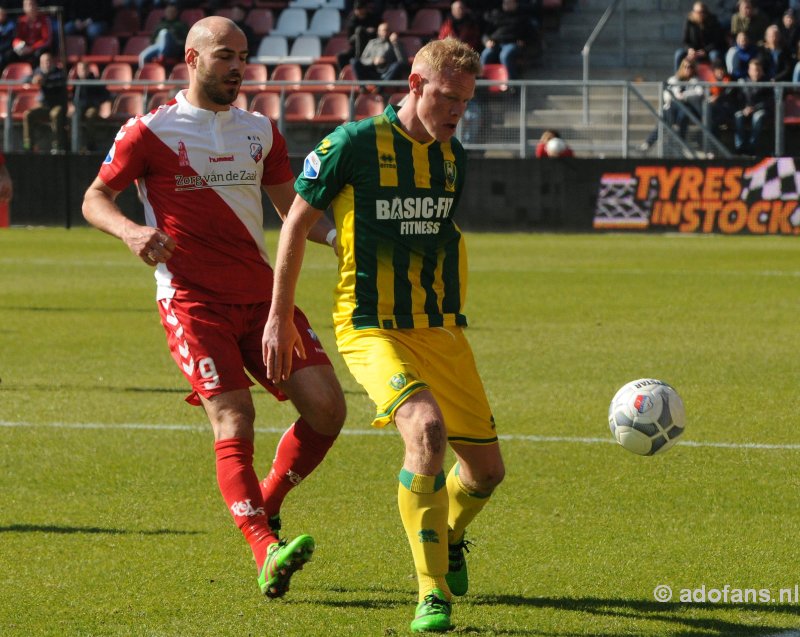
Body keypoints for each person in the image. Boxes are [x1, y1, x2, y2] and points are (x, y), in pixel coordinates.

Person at [81, 16, 346, 600]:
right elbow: (95, 197)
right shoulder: (148, 131)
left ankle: (267, 505)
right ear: (192, 59)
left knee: (327, 409)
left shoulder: (261, 131)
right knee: (235, 419)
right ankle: (264, 550)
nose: (237, 66)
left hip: (262, 298)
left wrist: (339, 240)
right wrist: (130, 232)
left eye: (243, 56)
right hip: (192, 301)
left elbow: (291, 208)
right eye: (225, 55)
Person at [263, 37, 505, 633]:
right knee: (424, 430)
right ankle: (432, 592)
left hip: (441, 329)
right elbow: (295, 221)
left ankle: (446, 536)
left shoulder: (453, 157)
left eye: (466, 102)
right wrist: (279, 315)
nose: (456, 112)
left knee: (486, 473)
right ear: (416, 85)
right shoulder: (353, 144)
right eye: (447, 98)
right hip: (370, 325)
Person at [639, 58, 704, 151]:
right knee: (668, 114)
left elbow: (699, 92)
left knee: (683, 113)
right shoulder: (673, 79)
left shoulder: (695, 80)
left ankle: (651, 142)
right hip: (673, 107)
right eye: (685, 67)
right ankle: (649, 142)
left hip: (688, 108)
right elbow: (670, 96)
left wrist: (685, 95)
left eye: (690, 67)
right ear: (681, 68)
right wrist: (679, 96)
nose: (687, 69)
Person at [479, 0, 539, 80]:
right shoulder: (496, 15)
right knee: (486, 54)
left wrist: (524, 41)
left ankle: (512, 83)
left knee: (505, 55)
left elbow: (532, 35)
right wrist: (486, 41)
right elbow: (485, 34)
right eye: (505, 2)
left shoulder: (522, 18)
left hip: (512, 43)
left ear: (515, 4)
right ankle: (482, 81)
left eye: (509, 2)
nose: (506, 4)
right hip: (495, 43)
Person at [22, 52, 68, 153]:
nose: (46, 64)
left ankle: (57, 146)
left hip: (57, 105)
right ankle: (28, 145)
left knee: (55, 114)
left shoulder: (59, 72)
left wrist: (44, 81)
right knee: (28, 114)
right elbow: (24, 79)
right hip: (44, 106)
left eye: (48, 61)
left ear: (52, 62)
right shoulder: (38, 72)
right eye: (44, 62)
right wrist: (33, 80)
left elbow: (58, 81)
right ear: (40, 63)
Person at [350, 21, 408, 87]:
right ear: (378, 32)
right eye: (383, 30)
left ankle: (380, 88)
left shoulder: (396, 44)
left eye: (387, 30)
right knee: (354, 61)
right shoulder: (372, 43)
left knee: (396, 66)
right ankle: (362, 87)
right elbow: (363, 59)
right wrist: (373, 60)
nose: (385, 32)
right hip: (373, 70)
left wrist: (395, 44)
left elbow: (403, 62)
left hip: (387, 72)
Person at [734, 56, 773, 154]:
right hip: (746, 110)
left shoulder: (767, 83)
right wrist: (744, 109)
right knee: (738, 116)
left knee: (757, 117)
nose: (756, 73)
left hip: (761, 110)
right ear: (749, 71)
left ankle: (752, 147)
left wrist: (754, 108)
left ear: (762, 71)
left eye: (758, 70)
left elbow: (769, 101)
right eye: (754, 70)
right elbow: (739, 99)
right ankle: (740, 147)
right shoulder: (743, 83)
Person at [674, 2, 725, 71]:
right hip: (693, 51)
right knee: (679, 54)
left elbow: (717, 40)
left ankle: (717, 78)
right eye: (698, 12)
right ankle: (678, 76)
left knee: (714, 55)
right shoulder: (689, 22)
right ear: (694, 12)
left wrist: (705, 51)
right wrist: (690, 49)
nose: (701, 14)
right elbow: (685, 40)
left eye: (703, 12)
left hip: (708, 50)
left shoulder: (713, 21)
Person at [72, 60, 110, 152]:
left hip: (92, 106)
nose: (82, 72)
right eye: (80, 70)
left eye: (84, 69)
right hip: (79, 108)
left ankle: (91, 144)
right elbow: (73, 98)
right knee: (73, 117)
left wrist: (95, 102)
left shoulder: (95, 81)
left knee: (90, 115)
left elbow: (105, 95)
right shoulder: (76, 83)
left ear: (88, 69)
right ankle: (73, 144)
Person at [139, 1, 190, 67]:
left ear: (176, 13)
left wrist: (177, 43)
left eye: (172, 12)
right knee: (142, 56)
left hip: (174, 48)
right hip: (158, 46)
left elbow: (186, 41)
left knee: (164, 33)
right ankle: (144, 74)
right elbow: (153, 39)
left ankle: (162, 55)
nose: (170, 14)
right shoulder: (160, 24)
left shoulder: (181, 25)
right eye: (168, 12)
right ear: (165, 13)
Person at [336, 0, 380, 71]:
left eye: (360, 8)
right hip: (356, 48)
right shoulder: (352, 20)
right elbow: (350, 40)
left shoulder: (373, 18)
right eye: (357, 9)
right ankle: (344, 74)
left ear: (365, 9)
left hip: (371, 48)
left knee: (360, 30)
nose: (358, 11)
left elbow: (380, 32)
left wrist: (371, 32)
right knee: (341, 57)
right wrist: (361, 32)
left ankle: (359, 61)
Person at [11, 0, 52, 65]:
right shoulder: (21, 20)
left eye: (31, 4)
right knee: (9, 55)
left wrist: (32, 48)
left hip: (38, 49)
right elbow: (17, 37)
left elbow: (46, 40)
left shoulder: (44, 19)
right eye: (26, 5)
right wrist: (17, 44)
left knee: (37, 55)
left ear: (36, 5)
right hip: (25, 47)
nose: (30, 7)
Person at [0, 8, 17, 72]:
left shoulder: (11, 24)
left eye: (2, 14)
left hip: (7, 49)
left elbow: (11, 40)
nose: (1, 16)